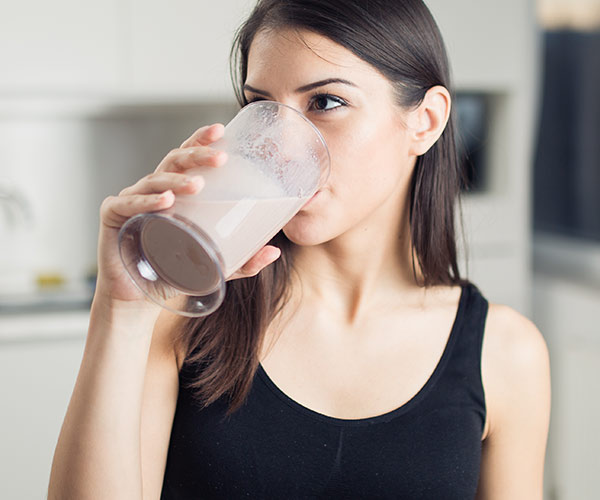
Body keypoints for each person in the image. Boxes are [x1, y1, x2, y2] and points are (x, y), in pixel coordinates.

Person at [48, 0, 551, 498]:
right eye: (261, 108)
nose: (283, 146)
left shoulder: (505, 353)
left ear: (425, 121)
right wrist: (119, 312)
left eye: (326, 102)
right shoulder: (185, 320)